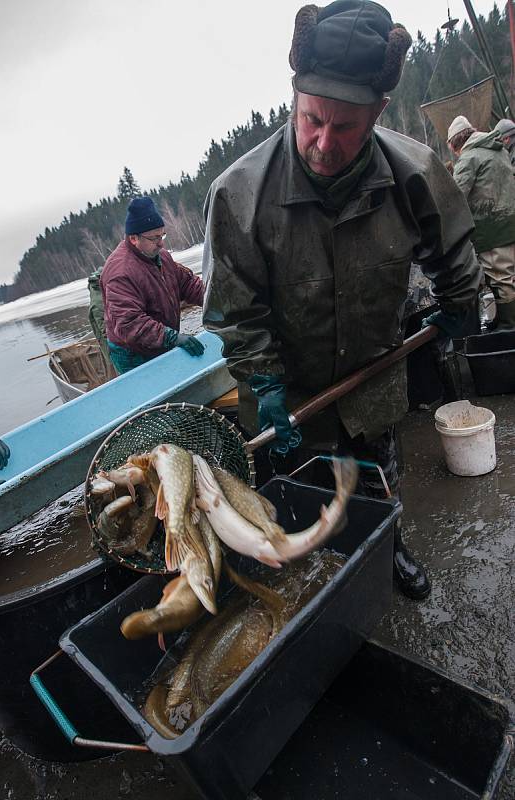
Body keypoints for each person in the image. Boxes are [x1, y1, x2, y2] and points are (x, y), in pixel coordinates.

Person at [203, 1, 482, 601]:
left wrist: (458, 301)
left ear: (378, 112)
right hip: (293, 392)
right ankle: (324, 578)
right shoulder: (238, 197)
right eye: (311, 119)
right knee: (305, 498)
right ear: (295, 98)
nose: (323, 142)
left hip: (375, 375)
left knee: (380, 478)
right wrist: (264, 383)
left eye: (345, 126)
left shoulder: (415, 174)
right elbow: (233, 310)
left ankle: (389, 546)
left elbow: (453, 250)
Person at [101, 196, 205, 374]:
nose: (162, 243)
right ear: (134, 238)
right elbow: (129, 324)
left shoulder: (161, 256)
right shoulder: (120, 273)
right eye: (155, 238)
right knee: (153, 399)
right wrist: (172, 337)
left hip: (160, 341)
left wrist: (217, 299)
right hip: (132, 354)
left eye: (162, 235)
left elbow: (188, 284)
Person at [448, 115, 515, 330]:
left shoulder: (469, 158)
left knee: (501, 278)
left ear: (454, 144)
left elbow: (455, 198)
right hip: (510, 221)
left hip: (494, 229)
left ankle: (509, 326)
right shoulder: (497, 149)